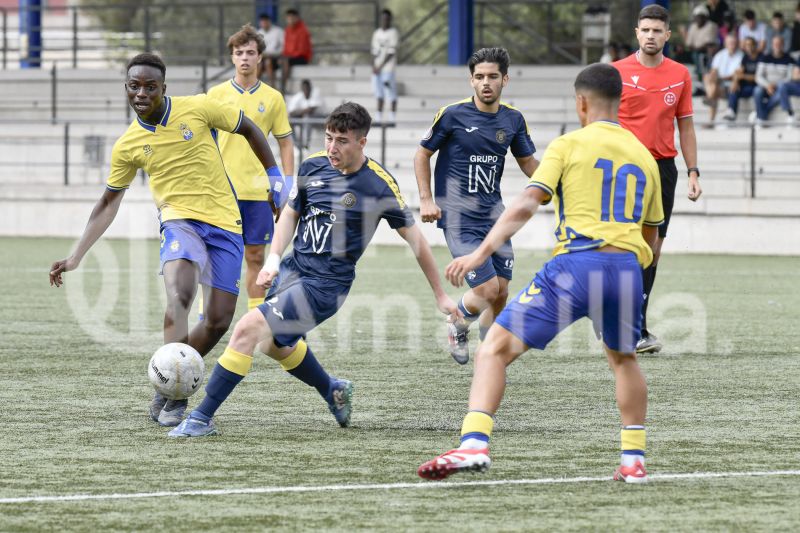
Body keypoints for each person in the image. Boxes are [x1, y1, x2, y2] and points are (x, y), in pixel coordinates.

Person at [417, 63, 664, 483]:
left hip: (575, 265)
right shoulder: (645, 156)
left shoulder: (569, 145)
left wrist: (480, 253)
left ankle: (474, 444)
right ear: (620, 103)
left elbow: (527, 202)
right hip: (626, 269)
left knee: (493, 349)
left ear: (581, 102)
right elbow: (653, 237)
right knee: (624, 360)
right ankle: (633, 461)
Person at [167, 102, 459, 437]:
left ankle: (200, 418)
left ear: (362, 142)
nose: (332, 148)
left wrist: (440, 295)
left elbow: (417, 242)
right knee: (270, 345)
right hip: (294, 270)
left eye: (342, 141)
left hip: (326, 285)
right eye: (329, 138)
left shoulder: (378, 185)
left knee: (247, 328)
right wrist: (274, 260)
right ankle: (332, 390)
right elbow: (290, 213)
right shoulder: (314, 167)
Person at [48, 53, 283, 426]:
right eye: (134, 85)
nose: (141, 92)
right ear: (126, 88)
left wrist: (274, 174)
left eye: (150, 86)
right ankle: (176, 398)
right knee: (180, 295)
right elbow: (108, 203)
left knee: (219, 320)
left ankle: (167, 385)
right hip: (178, 222)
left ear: (163, 88)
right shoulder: (127, 145)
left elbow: (250, 128)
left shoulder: (199, 108)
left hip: (225, 224)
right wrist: (76, 256)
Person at [414, 47, 539, 366]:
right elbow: (422, 154)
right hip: (458, 216)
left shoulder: (513, 119)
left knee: (501, 293)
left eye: (493, 77)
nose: (486, 82)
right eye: (479, 77)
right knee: (486, 288)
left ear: (505, 79)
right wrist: (426, 199)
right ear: (471, 80)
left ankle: (491, 351)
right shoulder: (452, 114)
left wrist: (559, 180)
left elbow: (528, 163)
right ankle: (457, 322)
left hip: (495, 217)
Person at [613, 4, 702, 354]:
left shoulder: (680, 73)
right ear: (637, 32)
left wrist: (693, 171)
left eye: (657, 30)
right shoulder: (615, 72)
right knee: (623, 246)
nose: (650, 35)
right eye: (645, 29)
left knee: (653, 248)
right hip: (624, 169)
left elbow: (687, 125)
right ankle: (618, 324)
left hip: (663, 169)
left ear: (668, 35)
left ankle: (638, 328)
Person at [208, 24, 295, 315]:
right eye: (238, 53)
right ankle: (204, 316)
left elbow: (285, 143)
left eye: (250, 52)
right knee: (214, 257)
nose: (244, 58)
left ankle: (255, 321)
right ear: (232, 58)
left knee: (256, 257)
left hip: (259, 192)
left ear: (260, 57)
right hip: (222, 191)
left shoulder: (273, 98)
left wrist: (287, 182)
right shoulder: (215, 95)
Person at [753, 35, 794, 125]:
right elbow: (758, 76)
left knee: (782, 92)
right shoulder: (764, 57)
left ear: (783, 45)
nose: (777, 46)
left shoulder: (789, 59)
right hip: (765, 87)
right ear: (771, 45)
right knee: (757, 91)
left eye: (779, 44)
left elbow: (789, 77)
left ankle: (761, 116)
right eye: (775, 44)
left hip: (780, 86)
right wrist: (768, 85)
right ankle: (762, 116)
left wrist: (776, 84)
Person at [703, 33, 743, 124]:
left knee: (713, 90)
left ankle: (710, 100)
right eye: (730, 43)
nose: (732, 45)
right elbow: (714, 70)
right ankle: (710, 96)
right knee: (707, 77)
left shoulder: (741, 56)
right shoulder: (720, 55)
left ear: (737, 43)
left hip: (731, 86)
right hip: (719, 84)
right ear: (725, 44)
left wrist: (720, 78)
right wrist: (713, 76)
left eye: (734, 43)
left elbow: (736, 74)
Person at [723, 36, 762, 121]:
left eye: (751, 45)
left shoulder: (761, 57)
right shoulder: (745, 57)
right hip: (745, 86)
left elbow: (759, 77)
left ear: (755, 45)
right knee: (733, 87)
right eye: (747, 45)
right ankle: (731, 112)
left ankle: (758, 116)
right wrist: (735, 81)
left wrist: (743, 76)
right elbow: (739, 71)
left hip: (757, 87)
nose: (749, 47)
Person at [371, 8, 400, 124]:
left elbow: (391, 52)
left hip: (388, 68)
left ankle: (392, 119)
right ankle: (378, 118)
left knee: (390, 92)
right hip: (377, 69)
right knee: (379, 93)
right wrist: (374, 65)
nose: (385, 21)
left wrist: (380, 66)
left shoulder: (393, 33)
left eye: (387, 19)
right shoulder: (376, 33)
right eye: (383, 18)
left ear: (390, 20)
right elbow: (374, 51)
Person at [682, 5, 719, 85]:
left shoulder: (711, 26)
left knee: (698, 55)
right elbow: (688, 44)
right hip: (694, 51)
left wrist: (695, 48)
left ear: (706, 17)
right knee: (680, 54)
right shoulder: (693, 26)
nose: (699, 19)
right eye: (697, 17)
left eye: (701, 17)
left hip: (707, 52)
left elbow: (708, 44)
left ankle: (701, 81)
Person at [280, 8, 312, 93]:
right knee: (272, 61)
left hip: (302, 57)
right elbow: (285, 47)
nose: (289, 19)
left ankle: (283, 87)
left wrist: (288, 56)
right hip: (290, 57)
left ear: (297, 18)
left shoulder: (303, 30)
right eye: (288, 17)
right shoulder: (287, 30)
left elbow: (302, 50)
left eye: (291, 17)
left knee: (285, 61)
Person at [287, 79, 325, 149]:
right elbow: (291, 113)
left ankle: (306, 143)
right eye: (304, 89)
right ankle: (297, 143)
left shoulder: (316, 92)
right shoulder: (298, 96)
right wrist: (303, 112)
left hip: (321, 117)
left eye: (307, 88)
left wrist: (300, 112)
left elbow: (312, 109)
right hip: (305, 118)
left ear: (310, 88)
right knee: (289, 121)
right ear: (302, 89)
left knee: (307, 117)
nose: (306, 91)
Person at [257, 14, 284, 88]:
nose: (264, 24)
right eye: (262, 22)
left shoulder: (278, 31)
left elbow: (283, 47)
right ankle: (254, 86)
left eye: (266, 21)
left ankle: (272, 86)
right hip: (262, 58)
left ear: (269, 22)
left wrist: (276, 54)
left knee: (268, 62)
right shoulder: (258, 33)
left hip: (276, 58)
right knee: (259, 64)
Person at [776, 58, 800, 126]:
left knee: (778, 93)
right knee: (782, 86)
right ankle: (790, 114)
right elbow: (795, 76)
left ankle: (760, 112)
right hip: (797, 86)